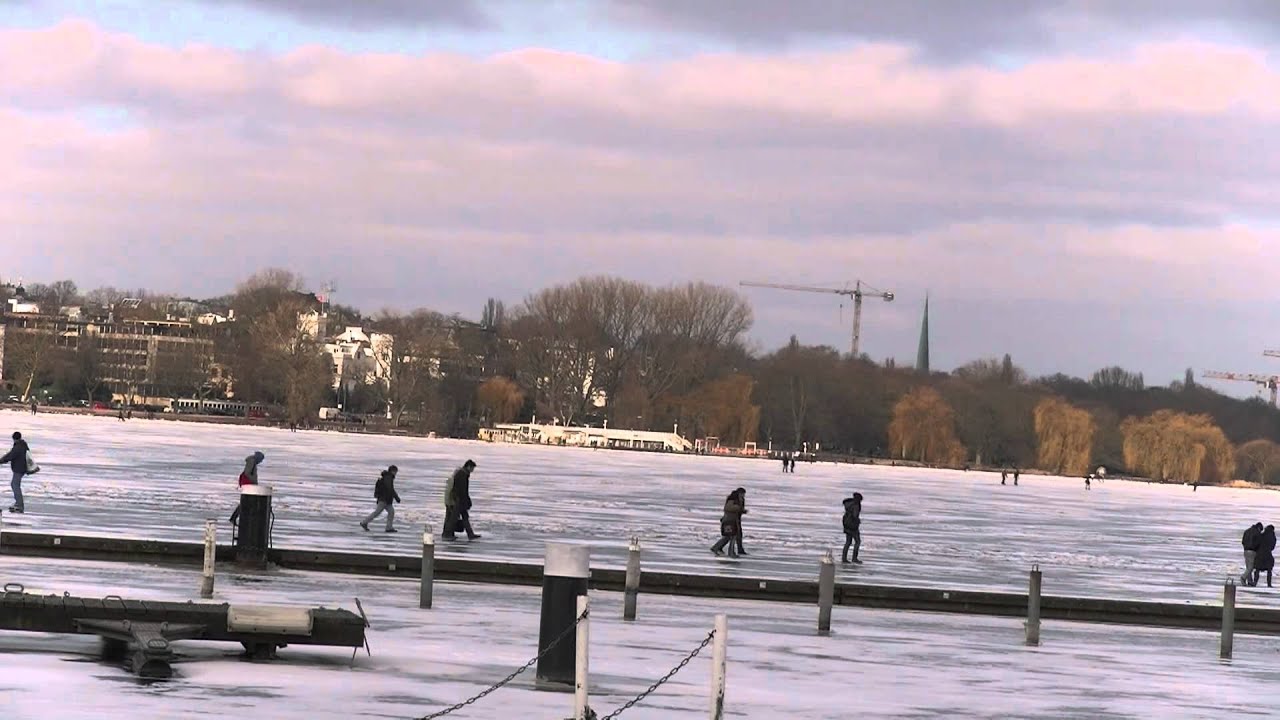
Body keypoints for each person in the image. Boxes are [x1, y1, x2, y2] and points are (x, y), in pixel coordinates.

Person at [443, 459, 480, 541]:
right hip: (458, 500)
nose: (473, 470)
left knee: (464, 517)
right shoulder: (462, 475)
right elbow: (462, 490)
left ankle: (470, 534)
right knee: (454, 518)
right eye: (472, 468)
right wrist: (465, 500)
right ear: (468, 466)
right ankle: (447, 534)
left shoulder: (463, 474)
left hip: (459, 500)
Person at [361, 465, 401, 533]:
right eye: (395, 471)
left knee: (391, 512)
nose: (396, 473)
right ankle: (364, 522)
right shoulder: (388, 477)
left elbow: (390, 489)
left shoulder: (387, 477)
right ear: (392, 471)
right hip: (384, 499)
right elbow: (390, 489)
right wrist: (396, 497)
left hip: (386, 499)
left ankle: (389, 527)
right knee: (377, 512)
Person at [229, 451, 265, 526]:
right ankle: (235, 518)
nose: (261, 461)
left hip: (248, 484)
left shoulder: (253, 462)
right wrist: (254, 481)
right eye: (261, 460)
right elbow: (247, 473)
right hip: (248, 485)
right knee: (245, 502)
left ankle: (238, 518)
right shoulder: (251, 461)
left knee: (246, 502)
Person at [1, 432, 31, 514]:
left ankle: (19, 505)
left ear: (14, 438)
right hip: (21, 467)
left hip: (19, 468)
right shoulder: (23, 445)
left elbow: (10, 455)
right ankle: (18, 503)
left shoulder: (18, 447)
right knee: (14, 484)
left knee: (15, 485)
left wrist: (1, 460)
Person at [710, 488, 746, 558]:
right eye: (743, 494)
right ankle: (730, 552)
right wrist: (739, 508)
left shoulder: (739, 500)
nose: (743, 495)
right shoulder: (732, 500)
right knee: (731, 536)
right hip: (729, 521)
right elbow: (728, 508)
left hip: (734, 520)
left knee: (730, 536)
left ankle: (717, 548)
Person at [842, 492, 863, 564]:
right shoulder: (856, 505)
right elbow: (855, 515)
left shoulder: (848, 504)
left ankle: (844, 558)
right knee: (857, 541)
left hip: (846, 524)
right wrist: (858, 521)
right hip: (853, 525)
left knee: (848, 542)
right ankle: (854, 558)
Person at [1242, 522, 1264, 587]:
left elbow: (1243, 541)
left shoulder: (1247, 531)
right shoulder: (1257, 533)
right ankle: (1243, 578)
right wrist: (1256, 549)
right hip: (1252, 551)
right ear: (1259, 528)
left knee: (1248, 567)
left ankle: (1249, 581)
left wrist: (1246, 547)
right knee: (1250, 567)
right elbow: (1259, 543)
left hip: (1245, 550)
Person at [733, 487, 749, 556]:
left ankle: (740, 549)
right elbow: (730, 508)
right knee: (733, 534)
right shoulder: (733, 499)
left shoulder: (742, 499)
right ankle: (739, 549)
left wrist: (742, 511)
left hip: (738, 518)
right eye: (742, 494)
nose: (743, 495)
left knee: (738, 534)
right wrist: (740, 510)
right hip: (732, 518)